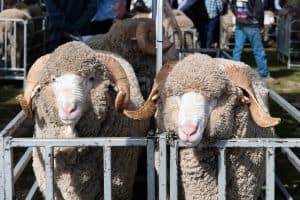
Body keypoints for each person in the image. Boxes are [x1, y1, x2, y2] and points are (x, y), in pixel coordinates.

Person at [230, 0, 279, 85]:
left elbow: (232, 6)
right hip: (252, 24)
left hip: (240, 24)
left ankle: (233, 74)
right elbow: (259, 11)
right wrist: (261, 25)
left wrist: (238, 17)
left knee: (237, 50)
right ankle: (264, 75)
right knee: (258, 51)